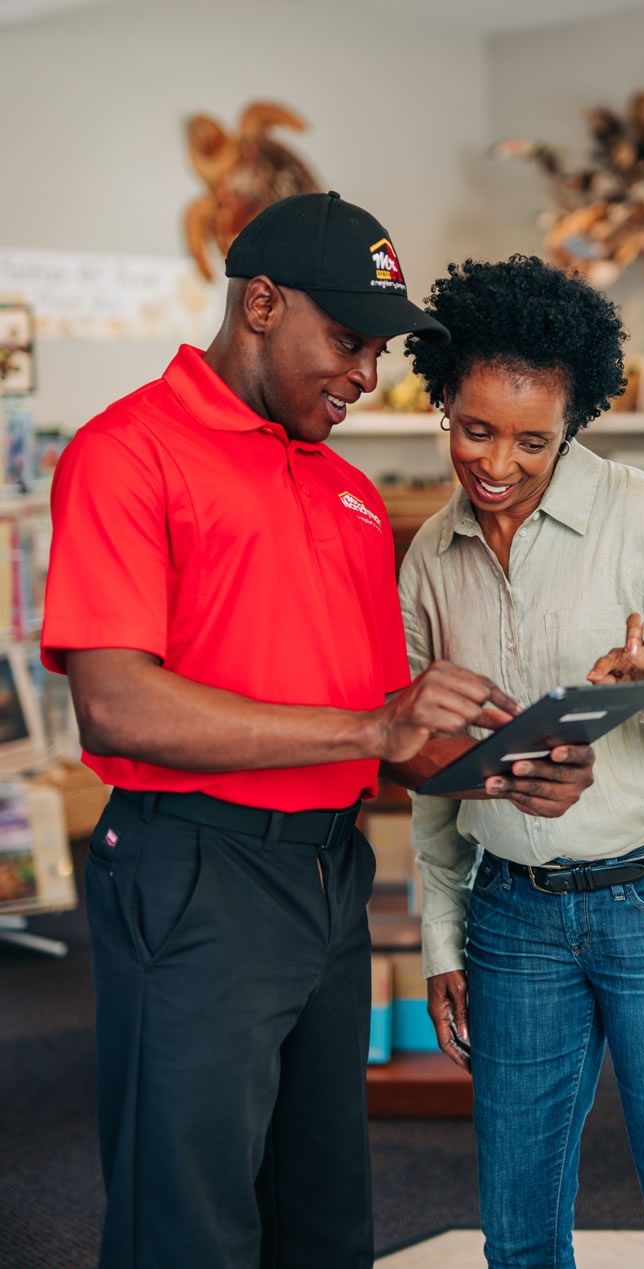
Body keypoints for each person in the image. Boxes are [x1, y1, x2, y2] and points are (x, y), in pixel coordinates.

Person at [39, 196, 594, 1269]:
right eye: (346, 341)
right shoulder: (127, 453)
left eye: (378, 350)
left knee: (325, 1207)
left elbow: (384, 731)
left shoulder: (345, 493)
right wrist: (374, 726)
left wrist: (505, 771)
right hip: (192, 869)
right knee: (186, 1214)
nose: (365, 375)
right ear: (258, 302)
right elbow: (115, 703)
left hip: (331, 877)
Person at [399, 254, 644, 1269]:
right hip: (512, 918)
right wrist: (441, 936)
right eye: (476, 429)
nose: (500, 463)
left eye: (534, 439)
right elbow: (433, 764)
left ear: (573, 424)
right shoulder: (430, 558)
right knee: (517, 1235)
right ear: (442, 403)